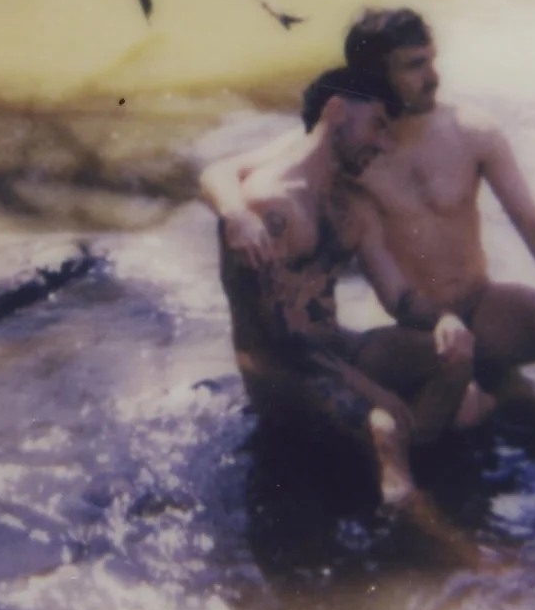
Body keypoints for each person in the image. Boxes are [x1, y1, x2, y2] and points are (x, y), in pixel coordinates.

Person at [199, 69, 486, 519]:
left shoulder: (351, 207)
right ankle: (448, 548)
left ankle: (403, 465)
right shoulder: (269, 206)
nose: (384, 145)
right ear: (335, 112)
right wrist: (374, 392)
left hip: (336, 351)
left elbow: (398, 297)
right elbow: (282, 339)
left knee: (458, 367)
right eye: (377, 126)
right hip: (281, 374)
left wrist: (444, 321)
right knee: (384, 428)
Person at [341, 5, 535, 463]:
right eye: (415, 66)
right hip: (416, 332)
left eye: (432, 60)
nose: (434, 77)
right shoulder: (351, 156)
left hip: (481, 306)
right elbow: (248, 172)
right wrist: (236, 211)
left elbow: (534, 221)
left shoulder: (471, 131)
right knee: (464, 416)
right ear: (374, 76)